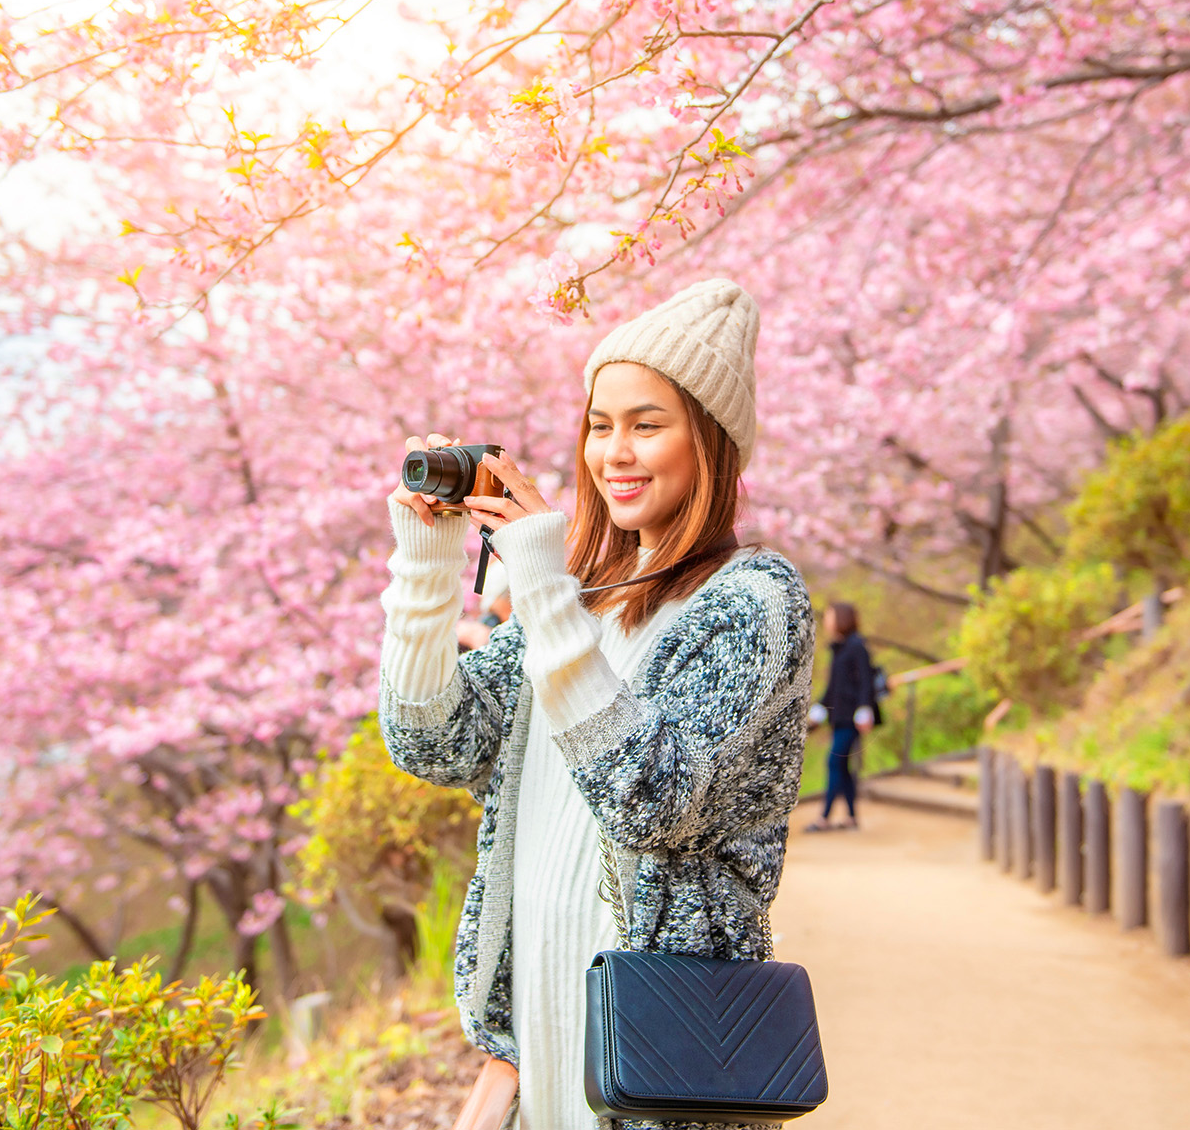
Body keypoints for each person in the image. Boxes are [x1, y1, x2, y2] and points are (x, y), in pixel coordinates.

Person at [376, 279, 816, 1130]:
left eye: (648, 424)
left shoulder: (754, 598)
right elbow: (433, 742)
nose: (615, 452)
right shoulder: (582, 598)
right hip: (541, 1020)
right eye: (599, 425)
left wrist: (542, 582)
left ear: (711, 443)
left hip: (666, 1053)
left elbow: (650, 799)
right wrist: (428, 566)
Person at [809, 602, 877, 832]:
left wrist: (865, 708)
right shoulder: (839, 647)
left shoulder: (857, 645)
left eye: (829, 617)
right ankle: (851, 817)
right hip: (839, 716)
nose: (827, 622)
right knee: (843, 766)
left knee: (834, 762)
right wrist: (819, 708)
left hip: (851, 717)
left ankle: (824, 818)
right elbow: (833, 686)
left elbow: (866, 680)